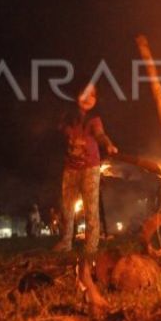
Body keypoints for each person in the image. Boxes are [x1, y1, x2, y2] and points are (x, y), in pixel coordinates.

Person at [53, 84, 117, 254]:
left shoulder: (94, 119)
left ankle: (91, 246)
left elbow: (100, 135)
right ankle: (66, 242)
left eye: (93, 95)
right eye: (84, 93)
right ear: (76, 95)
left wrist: (108, 144)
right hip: (70, 168)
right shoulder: (66, 118)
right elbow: (58, 136)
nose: (89, 98)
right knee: (67, 208)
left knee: (91, 208)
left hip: (91, 168)